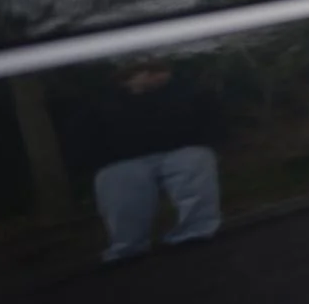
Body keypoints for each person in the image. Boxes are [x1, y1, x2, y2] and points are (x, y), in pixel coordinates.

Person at [88, 59, 222, 262]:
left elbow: (209, 116)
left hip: (180, 150)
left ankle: (195, 234)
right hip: (123, 160)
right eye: (149, 72)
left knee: (195, 161)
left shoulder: (185, 90)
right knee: (119, 184)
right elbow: (89, 135)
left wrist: (207, 142)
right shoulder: (104, 100)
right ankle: (127, 249)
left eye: (159, 71)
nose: (156, 77)